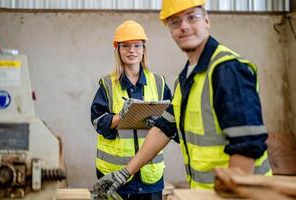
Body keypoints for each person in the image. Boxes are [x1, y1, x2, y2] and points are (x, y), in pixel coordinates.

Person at [93, 0, 272, 196]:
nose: (184, 26)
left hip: (240, 194)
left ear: (206, 20)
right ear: (170, 29)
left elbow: (247, 146)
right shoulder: (185, 79)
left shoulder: (227, 70)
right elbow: (164, 128)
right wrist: (125, 172)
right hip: (207, 193)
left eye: (191, 17)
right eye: (175, 21)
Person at [90, 20, 172, 200]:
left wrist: (158, 122)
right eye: (125, 46)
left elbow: (172, 122)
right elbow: (97, 121)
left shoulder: (159, 83)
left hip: (150, 175)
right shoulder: (107, 85)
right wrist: (121, 117)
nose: (132, 50)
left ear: (144, 49)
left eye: (137, 45)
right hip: (117, 175)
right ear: (118, 49)